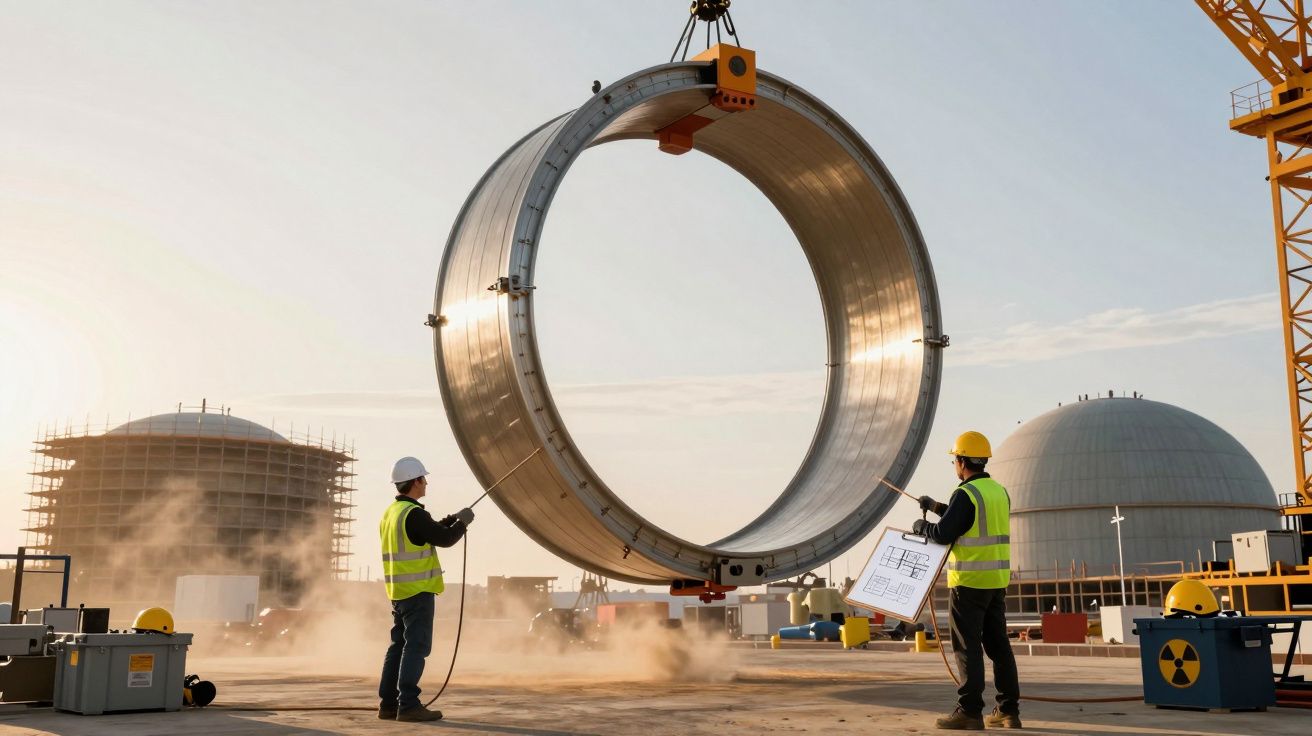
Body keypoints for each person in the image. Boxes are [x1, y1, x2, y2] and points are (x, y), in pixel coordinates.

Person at [912, 431, 1021, 730]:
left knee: (967, 648)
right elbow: (969, 521)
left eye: (954, 461)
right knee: (999, 647)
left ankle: (970, 711)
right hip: (996, 582)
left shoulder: (965, 494)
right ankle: (1008, 711)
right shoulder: (998, 492)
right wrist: (937, 507)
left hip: (969, 582)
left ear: (961, 462)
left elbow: (944, 533)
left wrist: (922, 526)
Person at [377, 456, 474, 722]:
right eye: (424, 478)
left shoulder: (392, 513)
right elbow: (444, 539)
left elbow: (425, 533)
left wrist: (448, 520)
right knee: (416, 647)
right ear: (416, 482)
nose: (426, 482)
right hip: (418, 592)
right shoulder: (415, 514)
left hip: (398, 592)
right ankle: (408, 704)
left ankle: (388, 704)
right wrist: (462, 524)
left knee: (397, 646)